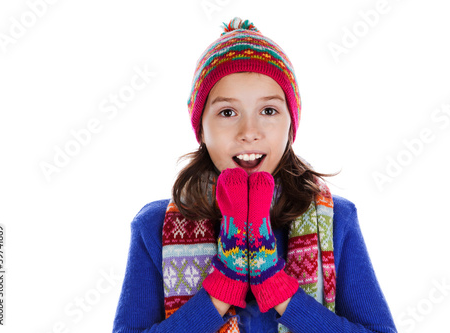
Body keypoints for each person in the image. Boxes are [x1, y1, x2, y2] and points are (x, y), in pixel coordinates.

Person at [112, 17, 397, 333]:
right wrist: (222, 288)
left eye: (269, 111)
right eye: (228, 113)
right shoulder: (154, 226)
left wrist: (277, 288)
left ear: (291, 124)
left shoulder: (334, 220)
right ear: (201, 129)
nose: (249, 132)